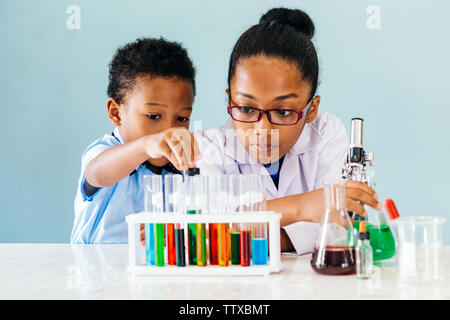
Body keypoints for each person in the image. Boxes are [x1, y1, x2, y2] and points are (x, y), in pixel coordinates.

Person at [195, 8, 382, 254]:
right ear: (230, 101)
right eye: (247, 109)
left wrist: (248, 229)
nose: (263, 130)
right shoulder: (208, 148)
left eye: (283, 112)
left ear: (311, 109)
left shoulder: (326, 133)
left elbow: (339, 224)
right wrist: (301, 207)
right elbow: (206, 235)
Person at [71, 37, 200, 244]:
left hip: (155, 273)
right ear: (116, 113)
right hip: (98, 273)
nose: (168, 130)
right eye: (153, 116)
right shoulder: (105, 152)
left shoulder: (181, 169)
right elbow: (97, 173)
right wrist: (147, 145)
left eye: (182, 118)